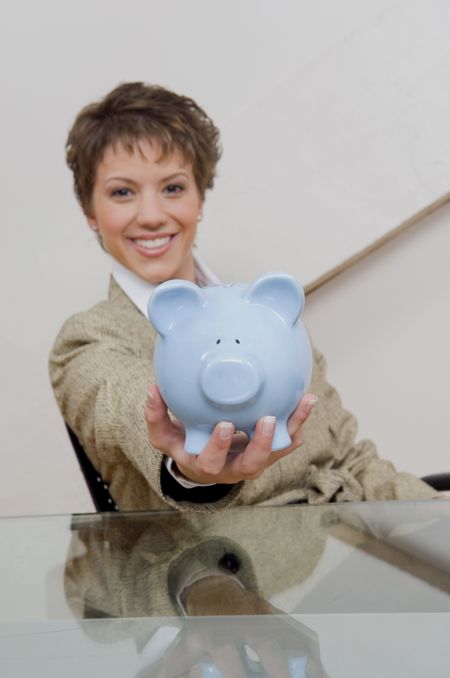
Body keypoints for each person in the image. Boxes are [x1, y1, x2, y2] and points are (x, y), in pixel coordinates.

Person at [49, 82, 437, 511]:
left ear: (199, 197)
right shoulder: (86, 340)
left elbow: (349, 458)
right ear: (91, 213)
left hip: (342, 544)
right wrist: (191, 468)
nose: (153, 215)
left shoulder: (269, 315)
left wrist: (435, 516)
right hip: (218, 570)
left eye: (173, 188)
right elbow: (126, 408)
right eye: (122, 192)